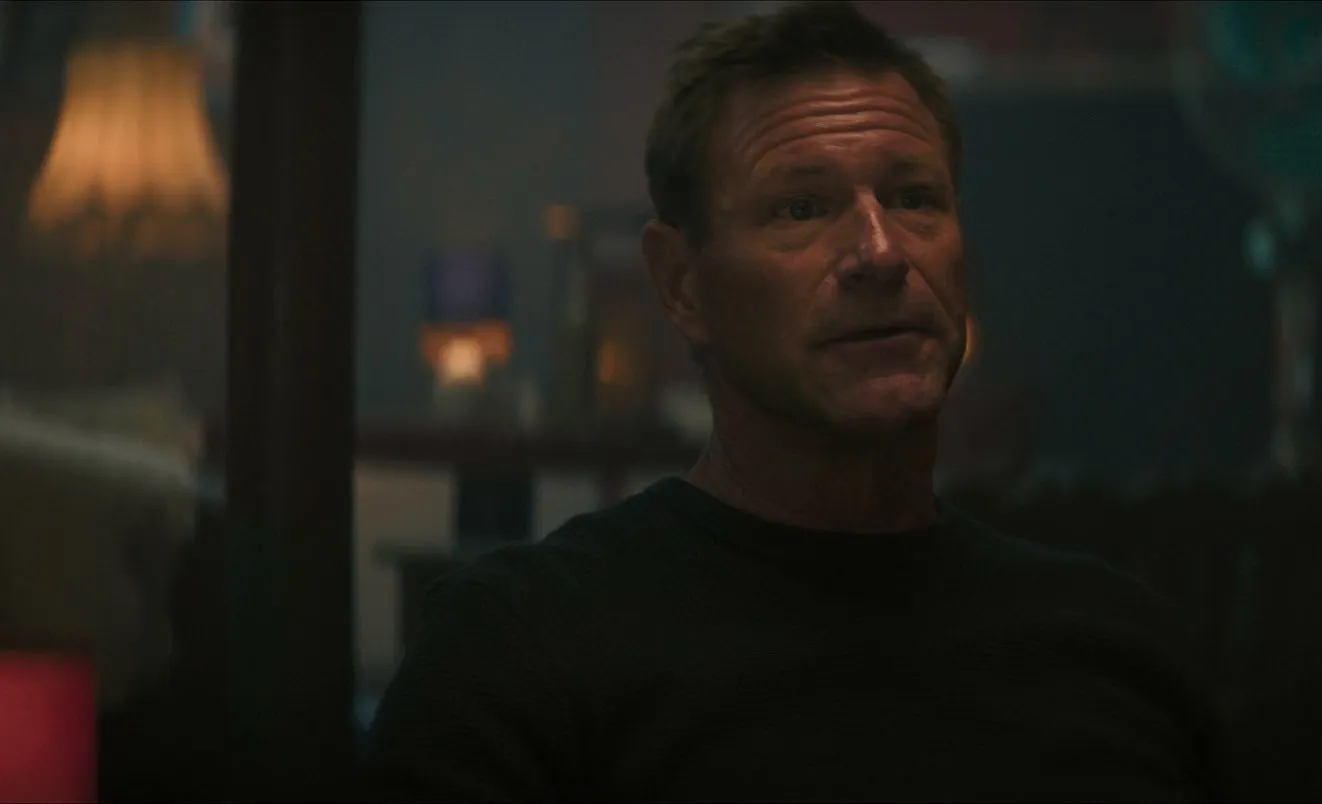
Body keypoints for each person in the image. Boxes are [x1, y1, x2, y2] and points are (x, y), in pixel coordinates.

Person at [363, 2, 1228, 800]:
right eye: (802, 208)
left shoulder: (1113, 651)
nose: (881, 252)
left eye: (915, 198)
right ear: (682, 283)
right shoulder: (524, 653)